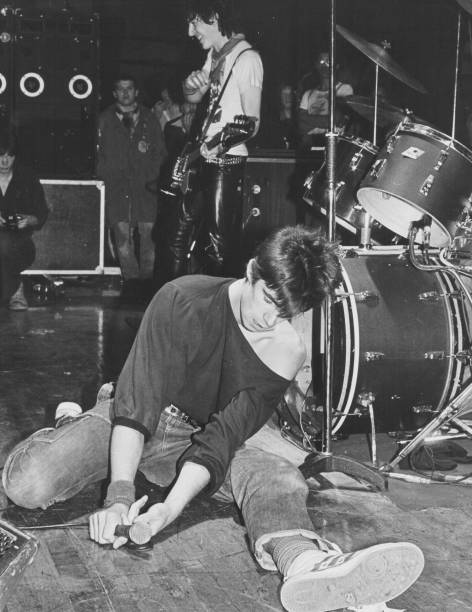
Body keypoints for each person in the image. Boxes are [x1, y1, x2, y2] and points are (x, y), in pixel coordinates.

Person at [3, 225, 424, 612]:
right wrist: (118, 496)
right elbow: (137, 405)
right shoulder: (182, 298)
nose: (269, 319)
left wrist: (167, 511)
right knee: (28, 484)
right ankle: (70, 422)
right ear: (251, 271)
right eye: (269, 301)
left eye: (286, 313)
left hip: (196, 439)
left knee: (275, 474)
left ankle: (305, 561)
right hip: (133, 416)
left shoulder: (285, 349)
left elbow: (221, 440)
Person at [165, 0, 263, 280]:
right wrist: (189, 86)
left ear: (215, 17)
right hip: (201, 156)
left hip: (225, 160)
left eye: (194, 22)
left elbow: (252, 124)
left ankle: (218, 313)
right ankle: (172, 307)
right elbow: (194, 98)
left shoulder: (247, 59)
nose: (190, 31)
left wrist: (217, 146)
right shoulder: (217, 55)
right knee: (175, 235)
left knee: (217, 245)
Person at [96, 75, 167, 289]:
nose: (125, 93)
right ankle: (132, 285)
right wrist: (107, 175)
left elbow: (161, 153)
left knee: (149, 240)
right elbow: (97, 155)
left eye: (129, 88)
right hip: (117, 191)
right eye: (120, 88)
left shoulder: (150, 118)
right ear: (114, 93)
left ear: (136, 92)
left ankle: (147, 286)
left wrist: (151, 176)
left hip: (146, 191)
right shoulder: (104, 119)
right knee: (122, 240)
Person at [0, 129, 48, 311]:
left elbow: (41, 214)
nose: (5, 161)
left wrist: (29, 220)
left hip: (21, 244)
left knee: (4, 245)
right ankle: (16, 288)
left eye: (9, 156)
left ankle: (15, 291)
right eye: (0, 156)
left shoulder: (27, 178)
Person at [298, 51, 353, 149]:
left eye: (328, 61)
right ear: (316, 65)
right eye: (321, 61)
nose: (325, 65)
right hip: (311, 147)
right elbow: (301, 124)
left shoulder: (344, 89)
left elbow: (336, 119)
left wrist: (310, 121)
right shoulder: (308, 94)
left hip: (335, 147)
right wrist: (325, 121)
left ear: (336, 65)